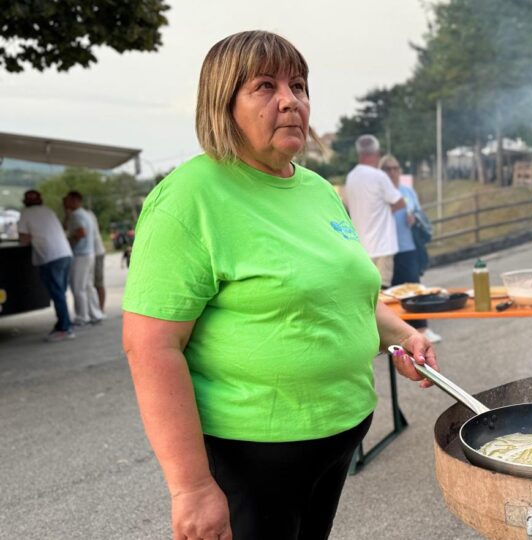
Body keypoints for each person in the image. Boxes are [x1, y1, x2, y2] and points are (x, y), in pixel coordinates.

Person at [120, 31, 438, 540]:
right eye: (265, 86)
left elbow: (345, 295)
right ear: (223, 105)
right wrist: (191, 489)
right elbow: (151, 346)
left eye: (299, 85)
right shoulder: (188, 199)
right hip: (252, 455)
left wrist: (402, 333)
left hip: (338, 433)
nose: (291, 100)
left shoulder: (316, 190)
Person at [381, 154, 441, 343]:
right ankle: (395, 334)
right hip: (387, 250)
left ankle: (422, 329)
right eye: (387, 169)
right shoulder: (379, 193)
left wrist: (414, 217)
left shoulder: (408, 191)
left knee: (415, 290)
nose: (392, 172)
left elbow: (419, 212)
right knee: (390, 293)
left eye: (395, 168)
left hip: (409, 247)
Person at [343, 134, 406, 288]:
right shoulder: (379, 176)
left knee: (365, 293)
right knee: (383, 291)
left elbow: (347, 206)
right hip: (383, 245)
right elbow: (400, 202)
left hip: (361, 247)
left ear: (359, 154)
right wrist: (387, 211)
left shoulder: (351, 177)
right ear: (377, 154)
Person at [17, 190, 75, 342]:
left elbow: (24, 240)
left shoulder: (25, 213)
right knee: (61, 293)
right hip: (65, 254)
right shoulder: (48, 210)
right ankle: (63, 324)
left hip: (50, 257)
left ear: (25, 201)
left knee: (57, 294)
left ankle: (65, 329)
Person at [63, 191, 104, 326]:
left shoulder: (75, 215)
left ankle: (82, 316)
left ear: (75, 200)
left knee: (78, 287)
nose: (65, 202)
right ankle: (95, 313)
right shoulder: (86, 214)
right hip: (90, 252)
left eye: (67, 200)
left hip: (80, 254)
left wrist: (70, 242)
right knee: (88, 286)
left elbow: (81, 232)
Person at [83, 206, 107, 311]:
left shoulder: (85, 214)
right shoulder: (87, 213)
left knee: (98, 283)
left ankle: (100, 310)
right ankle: (95, 310)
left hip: (96, 252)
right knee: (91, 284)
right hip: (91, 252)